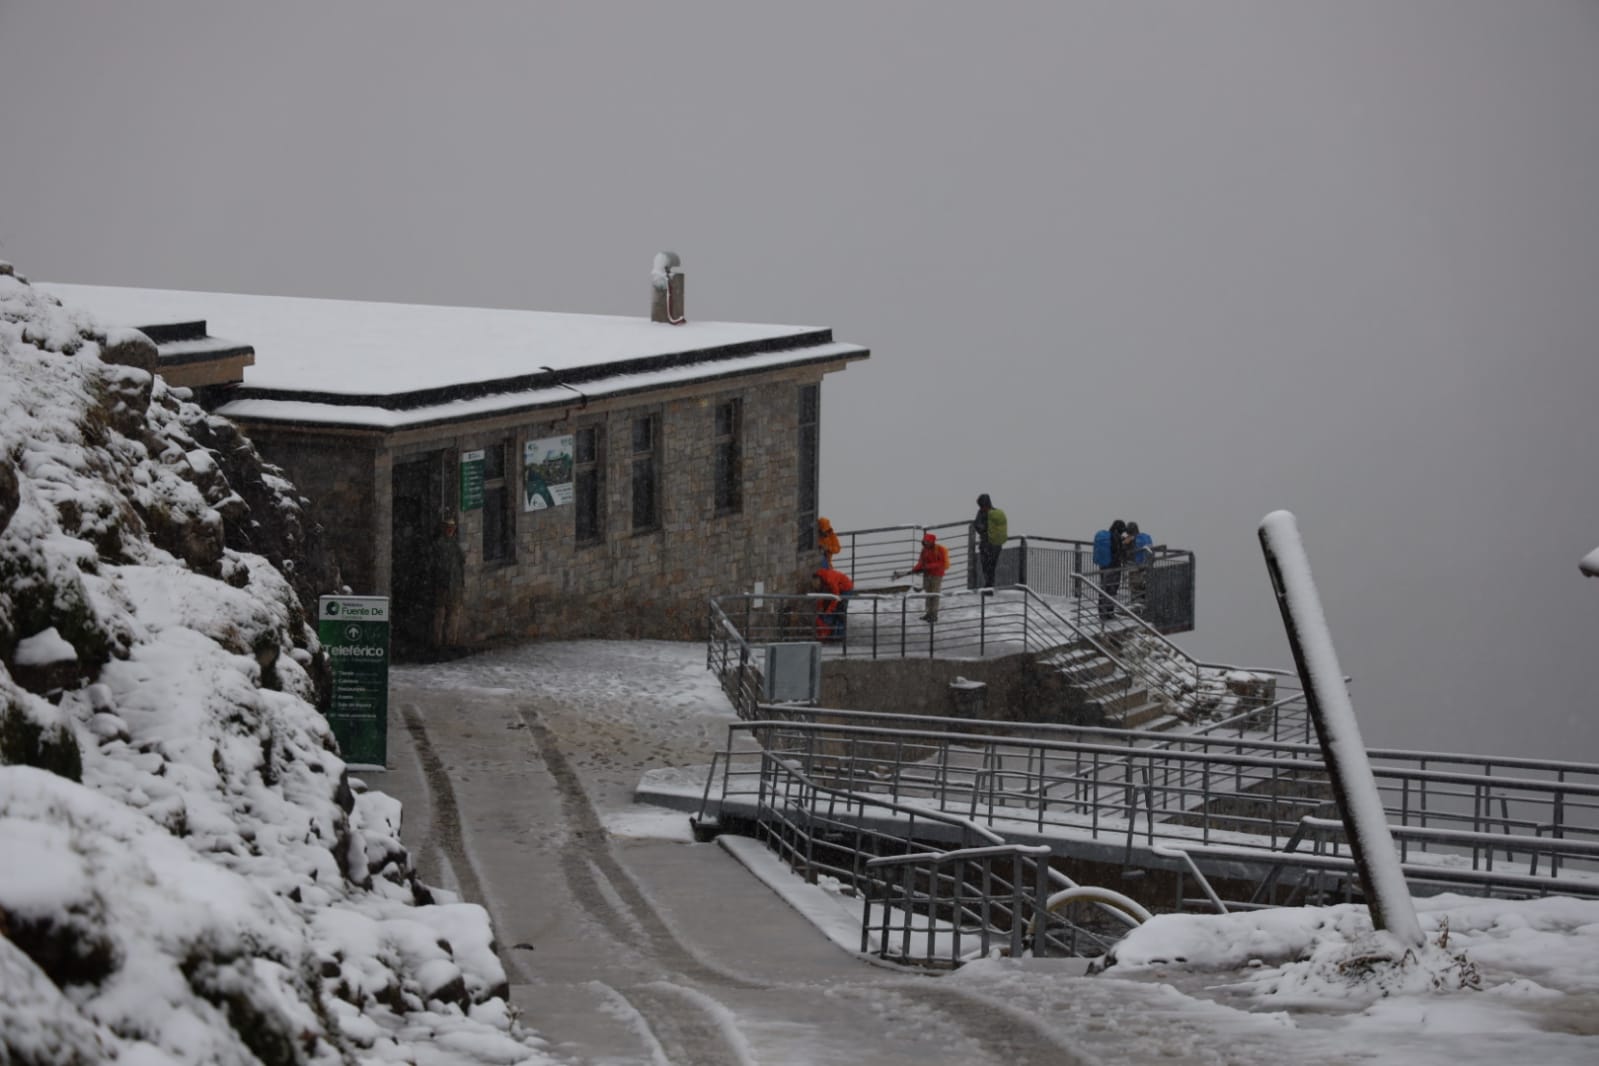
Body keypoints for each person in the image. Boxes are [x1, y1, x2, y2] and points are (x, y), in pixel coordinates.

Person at [431, 514, 466, 652]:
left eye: (452, 527)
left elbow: (461, 562)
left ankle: (450, 642)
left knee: (453, 614)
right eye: (448, 527)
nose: (450, 530)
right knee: (440, 613)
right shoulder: (439, 545)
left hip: (455, 585)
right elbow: (437, 565)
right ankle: (437, 642)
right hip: (443, 585)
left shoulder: (454, 544)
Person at [906, 531, 950, 623]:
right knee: (928, 594)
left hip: (936, 576)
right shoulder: (924, 550)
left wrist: (928, 566)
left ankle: (934, 614)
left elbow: (941, 563)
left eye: (928, 541)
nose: (926, 543)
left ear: (932, 541)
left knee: (934, 594)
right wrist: (914, 569)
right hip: (927, 575)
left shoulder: (939, 550)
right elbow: (921, 562)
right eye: (925, 541)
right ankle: (928, 613)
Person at [972, 494, 1007, 588]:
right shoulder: (996, 512)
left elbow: (978, 526)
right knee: (991, 566)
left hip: (986, 544)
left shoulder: (982, 513)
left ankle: (988, 586)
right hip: (996, 545)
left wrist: (982, 529)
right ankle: (989, 585)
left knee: (986, 566)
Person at [810, 567, 854, 641]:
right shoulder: (822, 580)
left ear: (818, 580)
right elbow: (821, 597)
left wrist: (830, 609)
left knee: (840, 612)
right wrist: (820, 608)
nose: (816, 586)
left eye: (816, 584)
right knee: (834, 612)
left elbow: (835, 596)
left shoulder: (829, 579)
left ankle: (840, 636)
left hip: (846, 588)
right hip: (838, 590)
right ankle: (834, 634)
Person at [1099, 518, 1127, 619]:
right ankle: (1109, 613)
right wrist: (1124, 544)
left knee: (1104, 588)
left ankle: (1102, 612)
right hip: (1113, 567)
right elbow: (1118, 552)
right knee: (1111, 589)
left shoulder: (1109, 535)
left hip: (1104, 566)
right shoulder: (1116, 537)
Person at [1126, 521, 1153, 611]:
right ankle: (1143, 602)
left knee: (1135, 585)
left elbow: (1125, 549)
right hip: (1147, 564)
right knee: (1143, 584)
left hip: (1135, 566)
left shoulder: (1131, 539)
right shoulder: (1146, 537)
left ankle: (1136, 604)